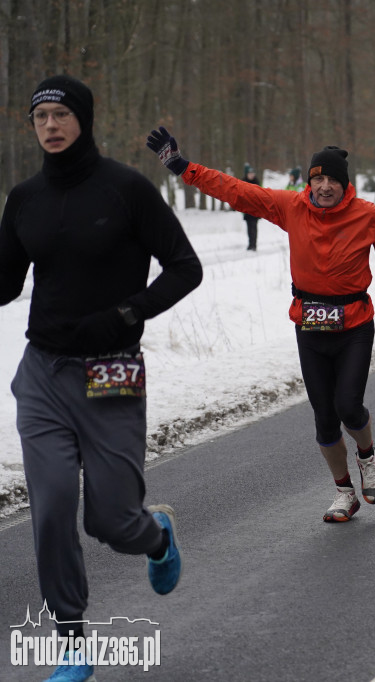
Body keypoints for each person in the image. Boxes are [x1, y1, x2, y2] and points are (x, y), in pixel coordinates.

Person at [147, 126, 375, 522]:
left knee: (348, 406)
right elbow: (237, 191)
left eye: (332, 179)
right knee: (324, 419)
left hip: (354, 325)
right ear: (309, 182)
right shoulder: (291, 206)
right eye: (318, 179)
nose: (324, 186)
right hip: (310, 327)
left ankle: (367, 457)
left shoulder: (366, 216)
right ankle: (344, 493)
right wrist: (183, 167)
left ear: (344, 184)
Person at [0, 75, 202, 682]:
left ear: (83, 119)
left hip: (111, 372)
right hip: (43, 374)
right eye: (40, 118)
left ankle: (155, 536)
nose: (50, 126)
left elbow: (185, 268)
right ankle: (72, 644)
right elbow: (5, 284)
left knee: (112, 520)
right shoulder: (25, 199)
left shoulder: (126, 189)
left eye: (61, 114)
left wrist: (126, 314)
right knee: (52, 508)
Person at [242, 163, 261, 250]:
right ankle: (250, 244)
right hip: (247, 210)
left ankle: (254, 244)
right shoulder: (243, 182)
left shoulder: (256, 182)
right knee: (249, 228)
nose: (251, 175)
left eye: (252, 173)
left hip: (255, 209)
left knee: (254, 227)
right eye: (250, 173)